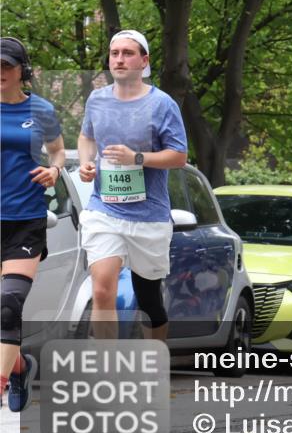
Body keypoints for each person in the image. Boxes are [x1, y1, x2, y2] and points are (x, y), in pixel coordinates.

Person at [77, 30, 188, 341]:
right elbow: (87, 137)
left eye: (128, 53)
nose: (120, 59)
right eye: (114, 53)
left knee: (149, 299)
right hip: (104, 209)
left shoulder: (162, 104)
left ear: (144, 61)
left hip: (148, 216)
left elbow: (179, 156)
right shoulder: (97, 99)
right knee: (101, 289)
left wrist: (136, 158)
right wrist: (86, 163)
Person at [0, 37, 65, 411]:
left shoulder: (40, 109)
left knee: (9, 304)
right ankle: (21, 366)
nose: (1, 73)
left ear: (23, 70)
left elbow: (57, 150)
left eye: (8, 66)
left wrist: (55, 169)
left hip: (25, 219)